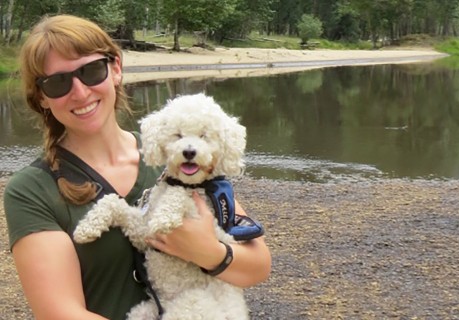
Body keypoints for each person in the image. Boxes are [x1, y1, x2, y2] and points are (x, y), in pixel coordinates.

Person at [3, 14, 271, 320]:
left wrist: (208, 252)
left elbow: (257, 265)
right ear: (42, 97)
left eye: (91, 71)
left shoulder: (175, 160)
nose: (80, 92)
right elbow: (58, 313)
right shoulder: (31, 190)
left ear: (115, 69)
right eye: (58, 82)